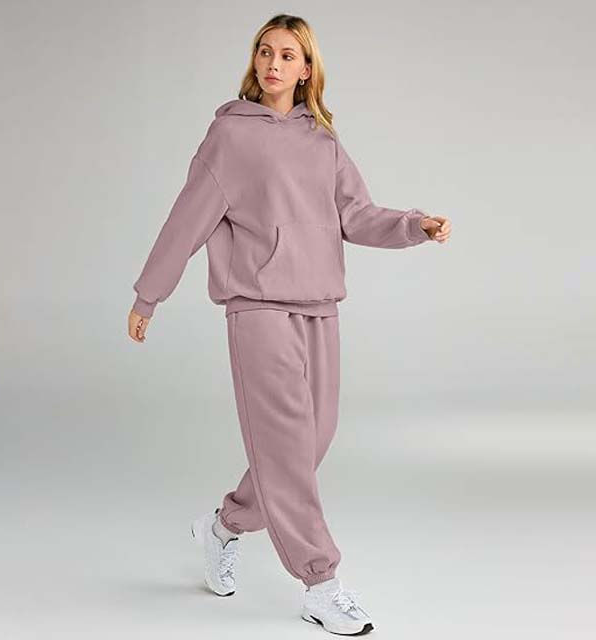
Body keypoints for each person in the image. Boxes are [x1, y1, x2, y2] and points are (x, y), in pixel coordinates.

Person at [127, 13, 451, 636]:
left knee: (311, 442)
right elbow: (186, 219)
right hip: (258, 306)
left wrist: (414, 225)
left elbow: (357, 215)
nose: (272, 64)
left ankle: (223, 526)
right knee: (284, 449)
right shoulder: (229, 136)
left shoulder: (323, 141)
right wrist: (149, 296)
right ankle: (320, 583)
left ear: (306, 70)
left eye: (286, 55)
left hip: (319, 305)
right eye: (264, 52)